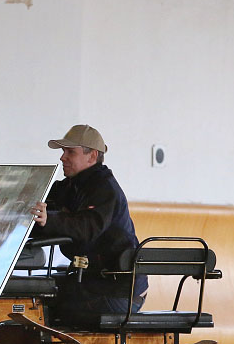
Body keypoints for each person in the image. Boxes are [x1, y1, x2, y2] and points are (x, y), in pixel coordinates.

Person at [30, 124, 147, 320]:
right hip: (91, 282)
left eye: (70, 152)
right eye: (63, 151)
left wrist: (49, 219)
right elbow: (43, 202)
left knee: (44, 310)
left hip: (117, 291)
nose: (62, 157)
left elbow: (86, 227)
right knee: (33, 298)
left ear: (91, 156)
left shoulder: (104, 188)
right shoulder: (71, 186)